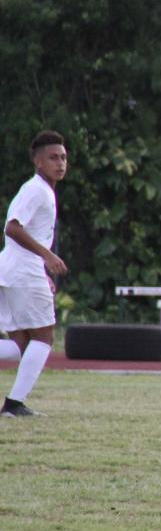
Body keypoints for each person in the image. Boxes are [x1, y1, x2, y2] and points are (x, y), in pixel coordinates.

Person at [0, 131, 69, 418]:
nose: (60, 163)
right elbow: (12, 228)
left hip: (14, 270)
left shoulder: (44, 190)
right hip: (22, 273)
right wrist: (47, 256)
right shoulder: (36, 189)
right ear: (38, 161)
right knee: (44, 338)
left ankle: (14, 405)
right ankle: (14, 405)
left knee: (20, 345)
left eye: (63, 157)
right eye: (53, 157)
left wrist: (43, 269)